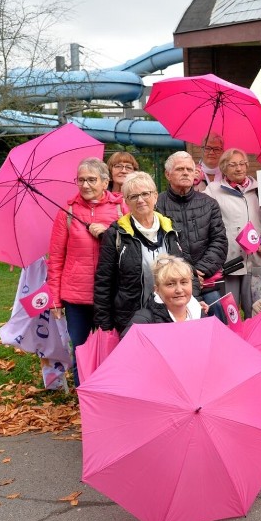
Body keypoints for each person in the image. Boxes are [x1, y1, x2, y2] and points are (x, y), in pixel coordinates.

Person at [47, 157, 126, 385]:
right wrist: (55, 299)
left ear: (105, 182)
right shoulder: (67, 212)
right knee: (80, 347)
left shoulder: (121, 208)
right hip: (76, 296)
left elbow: (131, 245)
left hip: (111, 292)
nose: (85, 185)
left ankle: (110, 388)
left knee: (111, 344)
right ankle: (84, 394)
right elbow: (56, 258)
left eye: (92, 179)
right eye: (81, 180)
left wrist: (109, 232)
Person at [93, 172, 196, 335]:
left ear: (155, 196)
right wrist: (104, 325)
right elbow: (104, 282)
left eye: (145, 194)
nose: (140, 200)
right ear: (126, 202)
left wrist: (193, 302)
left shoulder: (172, 229)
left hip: (171, 316)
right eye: (133, 196)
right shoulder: (116, 234)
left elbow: (189, 271)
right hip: (131, 318)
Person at [155, 151, 228, 320]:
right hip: (172, 284)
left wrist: (199, 271)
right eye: (180, 169)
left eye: (190, 169)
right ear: (168, 174)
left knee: (217, 321)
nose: (186, 173)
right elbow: (158, 246)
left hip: (206, 282)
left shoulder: (209, 203)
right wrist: (186, 276)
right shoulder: (157, 205)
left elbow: (219, 241)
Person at [203, 147, 261, 317]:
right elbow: (206, 221)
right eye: (233, 165)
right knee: (230, 311)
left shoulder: (259, 189)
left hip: (256, 259)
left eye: (242, 164)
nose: (239, 168)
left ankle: (257, 342)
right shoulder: (213, 191)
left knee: (257, 309)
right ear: (223, 168)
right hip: (229, 260)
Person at [124, 255, 210, 335]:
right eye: (170, 284)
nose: (179, 290)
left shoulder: (200, 314)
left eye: (184, 282)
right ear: (156, 289)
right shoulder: (143, 321)